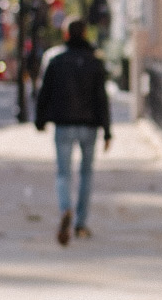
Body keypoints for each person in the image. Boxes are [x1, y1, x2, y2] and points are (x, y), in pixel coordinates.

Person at [34, 18, 111, 245]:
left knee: (63, 173)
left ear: (66, 35)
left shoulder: (55, 60)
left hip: (64, 124)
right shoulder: (94, 62)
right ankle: (80, 223)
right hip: (89, 126)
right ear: (85, 33)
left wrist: (40, 120)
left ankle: (65, 207)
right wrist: (107, 131)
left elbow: (44, 93)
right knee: (86, 174)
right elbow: (101, 99)